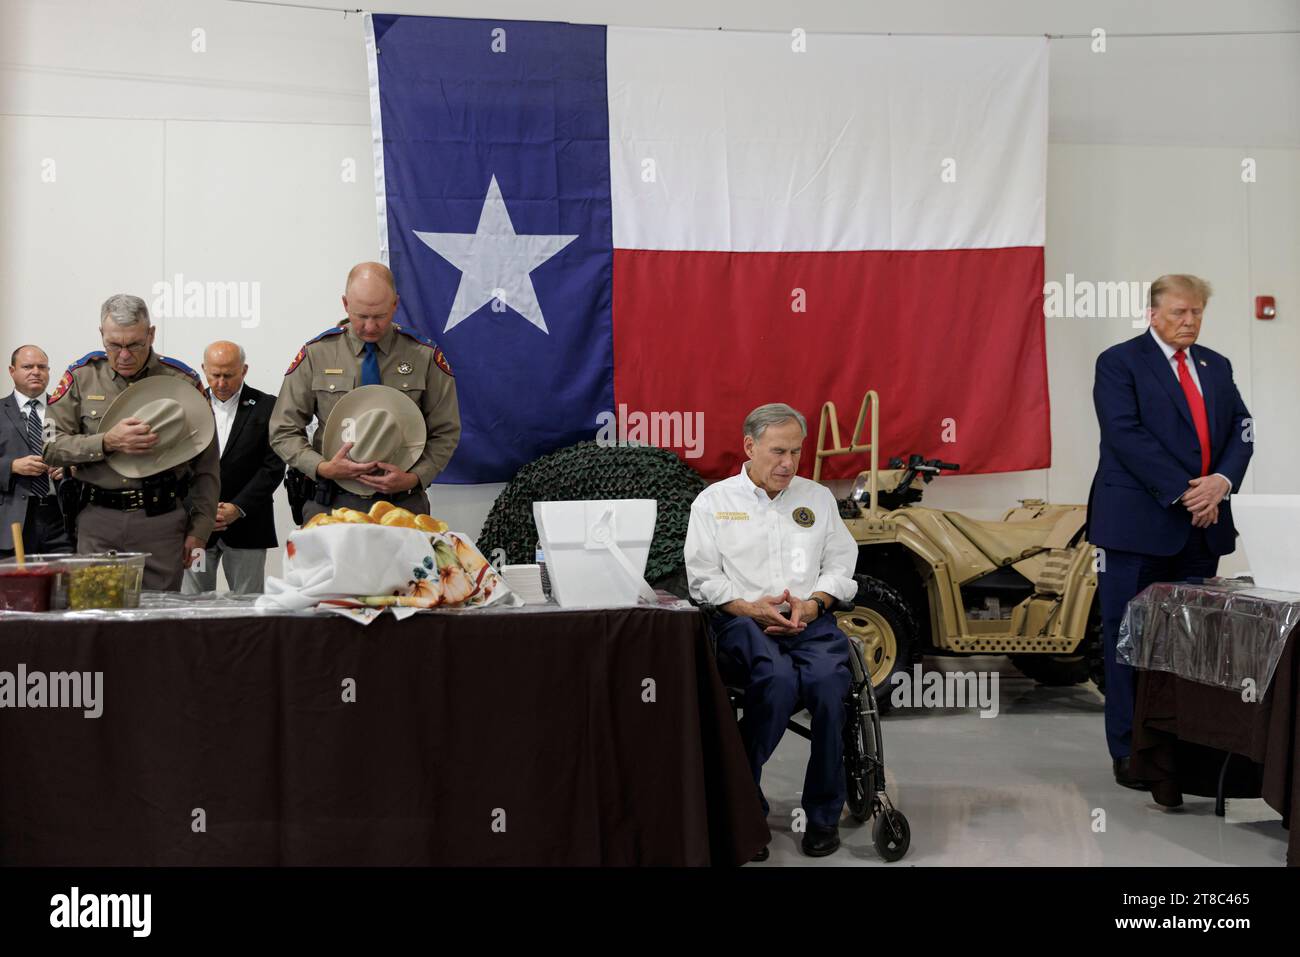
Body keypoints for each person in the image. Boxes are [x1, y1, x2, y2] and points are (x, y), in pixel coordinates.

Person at [1088, 274, 1253, 790]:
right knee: (1127, 640)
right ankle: (1127, 750)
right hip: (1138, 527)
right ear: (1153, 313)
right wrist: (1188, 492)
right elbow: (1125, 435)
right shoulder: (1119, 362)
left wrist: (1221, 483)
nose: (1190, 321)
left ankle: (1183, 747)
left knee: (1191, 647)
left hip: (1203, 530)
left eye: (1197, 313)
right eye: (1180, 312)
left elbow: (1242, 430)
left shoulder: (1216, 365)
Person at [684, 403, 859, 859]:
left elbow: (841, 562)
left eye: (796, 452)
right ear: (749, 446)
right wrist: (749, 608)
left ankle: (822, 816)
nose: (788, 463)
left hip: (810, 621)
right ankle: (746, 809)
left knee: (828, 688)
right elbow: (702, 576)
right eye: (778, 451)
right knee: (776, 683)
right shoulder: (715, 502)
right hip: (744, 624)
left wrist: (816, 602)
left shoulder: (817, 498)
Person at [43, 294, 220, 591]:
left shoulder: (183, 382)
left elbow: (207, 467)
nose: (124, 355)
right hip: (97, 521)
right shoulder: (80, 377)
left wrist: (200, 531)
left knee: (157, 624)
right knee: (97, 619)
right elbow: (50, 448)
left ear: (151, 334)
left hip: (161, 523)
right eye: (114, 345)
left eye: (134, 344)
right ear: (102, 335)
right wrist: (106, 442)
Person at [270, 262, 460, 522]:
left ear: (395, 304)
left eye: (380, 316)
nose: (370, 326)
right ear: (346, 304)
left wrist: (415, 477)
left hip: (402, 504)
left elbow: (446, 431)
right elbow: (283, 429)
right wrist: (322, 467)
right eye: (361, 316)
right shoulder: (318, 353)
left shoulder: (423, 356)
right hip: (331, 503)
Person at [181, 341, 284, 595]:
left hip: (249, 525)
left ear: (244, 370)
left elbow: (273, 467)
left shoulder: (268, 407)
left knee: (248, 607)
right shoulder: (186, 408)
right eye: (215, 375)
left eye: (229, 375)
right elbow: (177, 466)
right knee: (193, 606)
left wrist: (238, 508)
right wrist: (200, 508)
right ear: (204, 369)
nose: (221, 383)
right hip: (196, 527)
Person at [0, 345, 71, 556]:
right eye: (27, 366)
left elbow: (84, 451)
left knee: (63, 586)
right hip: (12, 519)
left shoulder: (65, 410)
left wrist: (71, 468)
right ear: (12, 371)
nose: (36, 371)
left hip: (60, 515)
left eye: (42, 366)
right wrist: (12, 466)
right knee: (16, 588)